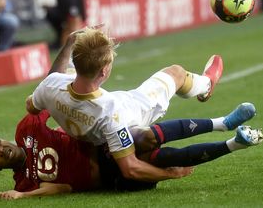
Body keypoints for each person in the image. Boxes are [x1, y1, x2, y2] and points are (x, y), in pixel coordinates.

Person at [26, 25, 225, 182]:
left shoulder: (51, 84)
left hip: (85, 119)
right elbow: (130, 169)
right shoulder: (110, 111)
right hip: (136, 109)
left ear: (74, 62)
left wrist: (70, 43)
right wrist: (171, 174)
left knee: (66, 80)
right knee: (176, 73)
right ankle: (206, 85)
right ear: (104, 72)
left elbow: (32, 107)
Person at [0, 104, 263, 200]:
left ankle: (222, 123)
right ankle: (234, 143)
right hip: (113, 179)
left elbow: (51, 92)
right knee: (167, 160)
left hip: (101, 146)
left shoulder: (26, 130)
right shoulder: (23, 183)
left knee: (145, 137)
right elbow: (62, 186)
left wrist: (70, 44)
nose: (2, 150)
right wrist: (23, 196)